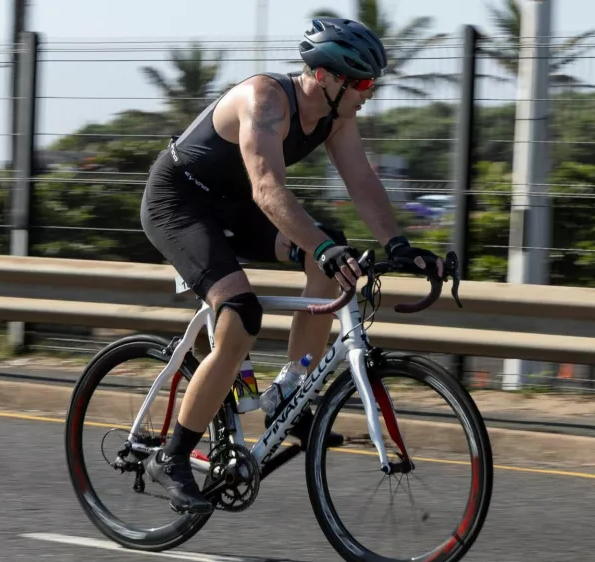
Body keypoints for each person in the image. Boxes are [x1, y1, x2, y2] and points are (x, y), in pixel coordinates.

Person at [139, 17, 445, 515]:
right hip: (180, 205)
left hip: (236, 208)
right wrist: (319, 247)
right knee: (241, 314)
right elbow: (267, 187)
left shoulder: (337, 116)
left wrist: (400, 243)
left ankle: (292, 392)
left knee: (334, 254)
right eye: (364, 82)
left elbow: (362, 183)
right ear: (327, 78)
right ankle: (171, 458)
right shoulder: (265, 100)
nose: (370, 93)